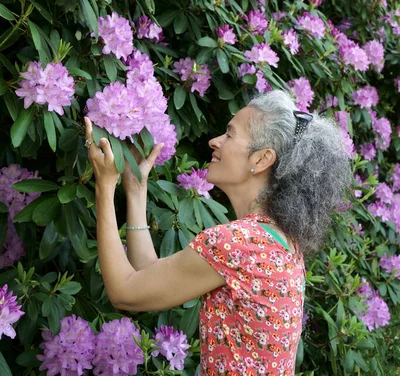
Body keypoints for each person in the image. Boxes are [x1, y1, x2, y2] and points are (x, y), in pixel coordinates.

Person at [84, 89, 352, 376]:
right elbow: (149, 274)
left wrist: (104, 185)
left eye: (229, 134)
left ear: (262, 160)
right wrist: (136, 189)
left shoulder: (236, 245)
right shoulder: (279, 243)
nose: (215, 141)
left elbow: (125, 292)